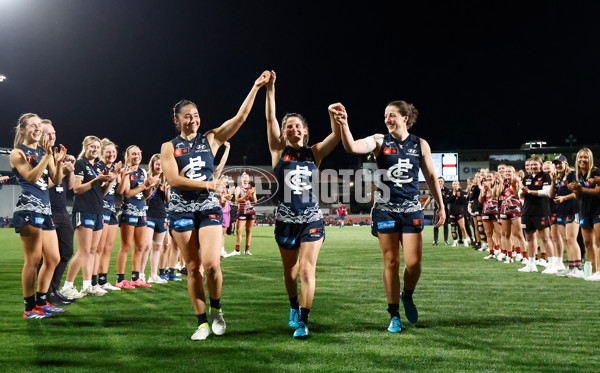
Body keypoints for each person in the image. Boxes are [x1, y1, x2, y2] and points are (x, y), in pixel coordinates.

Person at [161, 70, 269, 341]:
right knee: (193, 268)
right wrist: (209, 185)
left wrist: (255, 87)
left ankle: (217, 310)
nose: (193, 119)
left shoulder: (210, 139)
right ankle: (201, 323)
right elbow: (173, 179)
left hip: (208, 207)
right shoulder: (168, 147)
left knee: (211, 265)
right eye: (187, 115)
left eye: (196, 115)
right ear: (177, 120)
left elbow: (240, 118)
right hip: (182, 209)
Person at [336, 99, 445, 333]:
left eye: (392, 115)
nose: (387, 120)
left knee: (414, 265)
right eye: (385, 115)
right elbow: (352, 147)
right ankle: (394, 314)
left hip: (411, 208)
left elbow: (431, 176)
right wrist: (344, 124)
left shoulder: (420, 144)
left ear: (405, 118)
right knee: (392, 262)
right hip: (385, 208)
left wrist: (441, 205)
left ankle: (407, 295)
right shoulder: (379, 140)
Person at [265, 71, 340, 338]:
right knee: (291, 273)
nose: (294, 129)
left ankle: (304, 321)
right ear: (284, 133)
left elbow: (336, 136)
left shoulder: (315, 152)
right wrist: (271, 88)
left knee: (307, 269)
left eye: (298, 126)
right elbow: (270, 118)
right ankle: (294, 306)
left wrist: (337, 117)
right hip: (285, 221)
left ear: (305, 131)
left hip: (312, 219)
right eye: (289, 127)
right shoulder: (278, 151)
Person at [10, 113, 67, 318]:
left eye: (38, 126)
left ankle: (42, 303)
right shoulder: (18, 153)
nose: (37, 129)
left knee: (53, 258)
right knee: (32, 261)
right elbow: (33, 178)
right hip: (28, 209)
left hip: (45, 210)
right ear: (23, 129)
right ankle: (28, 308)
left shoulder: (45, 152)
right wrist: (46, 156)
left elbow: (57, 180)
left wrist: (58, 162)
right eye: (32, 126)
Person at [60, 136, 114, 298]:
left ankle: (87, 285)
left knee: (92, 250)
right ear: (85, 147)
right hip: (84, 211)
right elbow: (77, 189)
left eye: (97, 147)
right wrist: (96, 180)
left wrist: (110, 181)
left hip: (98, 210)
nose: (95, 150)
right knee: (83, 251)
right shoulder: (80, 163)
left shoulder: (98, 165)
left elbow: (102, 193)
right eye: (92, 147)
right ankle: (67, 286)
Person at [41, 120, 77, 306]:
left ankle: (54, 289)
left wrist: (70, 169)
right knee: (48, 256)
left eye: (54, 133)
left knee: (66, 251)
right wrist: (62, 171)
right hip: (47, 210)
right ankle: (44, 293)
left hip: (62, 210)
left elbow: (70, 186)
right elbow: (42, 184)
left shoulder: (57, 155)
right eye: (48, 133)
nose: (52, 137)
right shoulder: (41, 157)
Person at [115, 145, 160, 289]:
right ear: (128, 156)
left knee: (140, 246)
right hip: (129, 212)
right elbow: (127, 193)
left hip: (141, 212)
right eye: (133, 154)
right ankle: (120, 280)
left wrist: (151, 186)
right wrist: (144, 185)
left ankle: (136, 278)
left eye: (138, 153)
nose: (137, 156)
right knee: (126, 246)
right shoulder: (125, 172)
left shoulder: (142, 172)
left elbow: (145, 196)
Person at [518, 157, 557, 273]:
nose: (533, 167)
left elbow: (546, 192)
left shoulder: (545, 176)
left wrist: (529, 192)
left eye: (535, 165)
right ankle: (531, 264)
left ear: (540, 165)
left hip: (541, 211)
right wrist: (523, 192)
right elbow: (520, 194)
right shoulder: (527, 178)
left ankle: (552, 264)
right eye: (531, 165)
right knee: (529, 238)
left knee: (545, 238)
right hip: (527, 211)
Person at [568, 148, 600, 281]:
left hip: (598, 209)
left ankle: (599, 271)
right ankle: (593, 271)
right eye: (580, 157)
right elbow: (578, 197)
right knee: (587, 242)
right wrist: (575, 191)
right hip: (584, 210)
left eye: (585, 157)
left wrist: (581, 189)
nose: (582, 159)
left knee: (599, 241)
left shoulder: (596, 172)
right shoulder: (575, 175)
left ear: (590, 159)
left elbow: (598, 191)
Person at [96, 138, 123, 291]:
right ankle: (93, 281)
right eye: (108, 152)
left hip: (112, 209)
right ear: (102, 154)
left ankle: (103, 280)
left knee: (108, 247)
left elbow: (119, 191)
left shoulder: (113, 168)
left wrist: (119, 175)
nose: (112, 154)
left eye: (114, 152)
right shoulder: (99, 167)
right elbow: (101, 190)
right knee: (99, 247)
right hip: (101, 208)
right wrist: (112, 176)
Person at [550, 155, 582, 277]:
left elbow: (577, 192)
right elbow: (551, 195)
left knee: (572, 239)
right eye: (556, 163)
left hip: (573, 209)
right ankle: (571, 266)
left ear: (566, 163)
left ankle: (578, 268)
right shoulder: (559, 178)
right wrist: (553, 181)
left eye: (560, 163)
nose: (558, 165)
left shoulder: (572, 175)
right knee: (566, 240)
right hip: (561, 211)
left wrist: (564, 198)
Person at [143, 154, 170, 284]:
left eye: (161, 164)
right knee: (146, 246)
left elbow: (166, 200)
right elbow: (145, 197)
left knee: (158, 247)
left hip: (161, 214)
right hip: (149, 214)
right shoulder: (147, 178)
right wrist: (152, 185)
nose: (159, 167)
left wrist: (168, 189)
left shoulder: (165, 179)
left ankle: (153, 275)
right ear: (152, 165)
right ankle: (141, 274)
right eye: (157, 164)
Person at [231, 172, 257, 255]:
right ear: (241, 179)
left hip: (251, 211)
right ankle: (237, 250)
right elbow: (237, 200)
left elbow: (255, 201)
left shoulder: (252, 188)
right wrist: (246, 195)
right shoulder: (238, 188)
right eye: (244, 177)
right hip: (242, 211)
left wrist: (252, 195)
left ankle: (247, 250)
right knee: (239, 231)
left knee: (249, 231)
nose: (246, 179)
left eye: (247, 177)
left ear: (249, 179)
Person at [423, 177, 450, 245]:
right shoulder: (434, 190)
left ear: (443, 182)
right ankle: (435, 241)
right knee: (436, 225)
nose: (440, 182)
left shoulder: (447, 190)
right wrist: (424, 206)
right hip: (436, 210)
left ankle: (446, 240)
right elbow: (429, 198)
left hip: (445, 210)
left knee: (445, 225)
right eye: (438, 181)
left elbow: (450, 200)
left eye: (441, 181)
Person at [448, 181, 471, 247]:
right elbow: (448, 201)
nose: (455, 185)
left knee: (462, 227)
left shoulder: (463, 193)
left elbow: (464, 202)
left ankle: (465, 241)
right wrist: (454, 195)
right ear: (452, 185)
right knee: (453, 229)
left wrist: (458, 195)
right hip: (452, 212)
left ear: (459, 185)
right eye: (454, 184)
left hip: (460, 212)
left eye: (456, 184)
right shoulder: (449, 193)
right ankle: (455, 242)